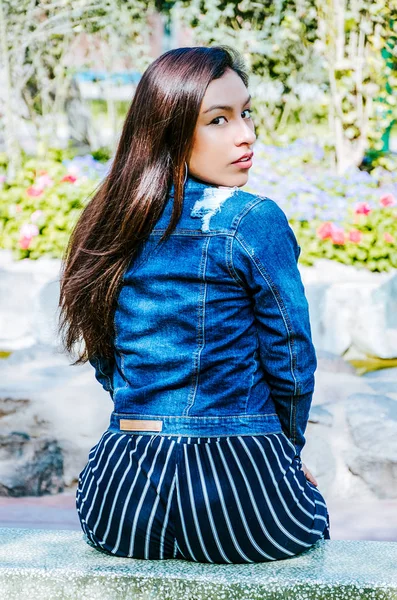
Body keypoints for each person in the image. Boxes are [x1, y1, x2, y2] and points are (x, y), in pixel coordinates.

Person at [58, 45, 330, 564]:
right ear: (169, 129)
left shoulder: (112, 219)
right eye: (218, 120)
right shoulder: (251, 218)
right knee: (312, 516)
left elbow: (104, 353)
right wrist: (284, 455)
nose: (245, 134)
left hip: (119, 505)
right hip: (239, 496)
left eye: (245, 113)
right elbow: (292, 359)